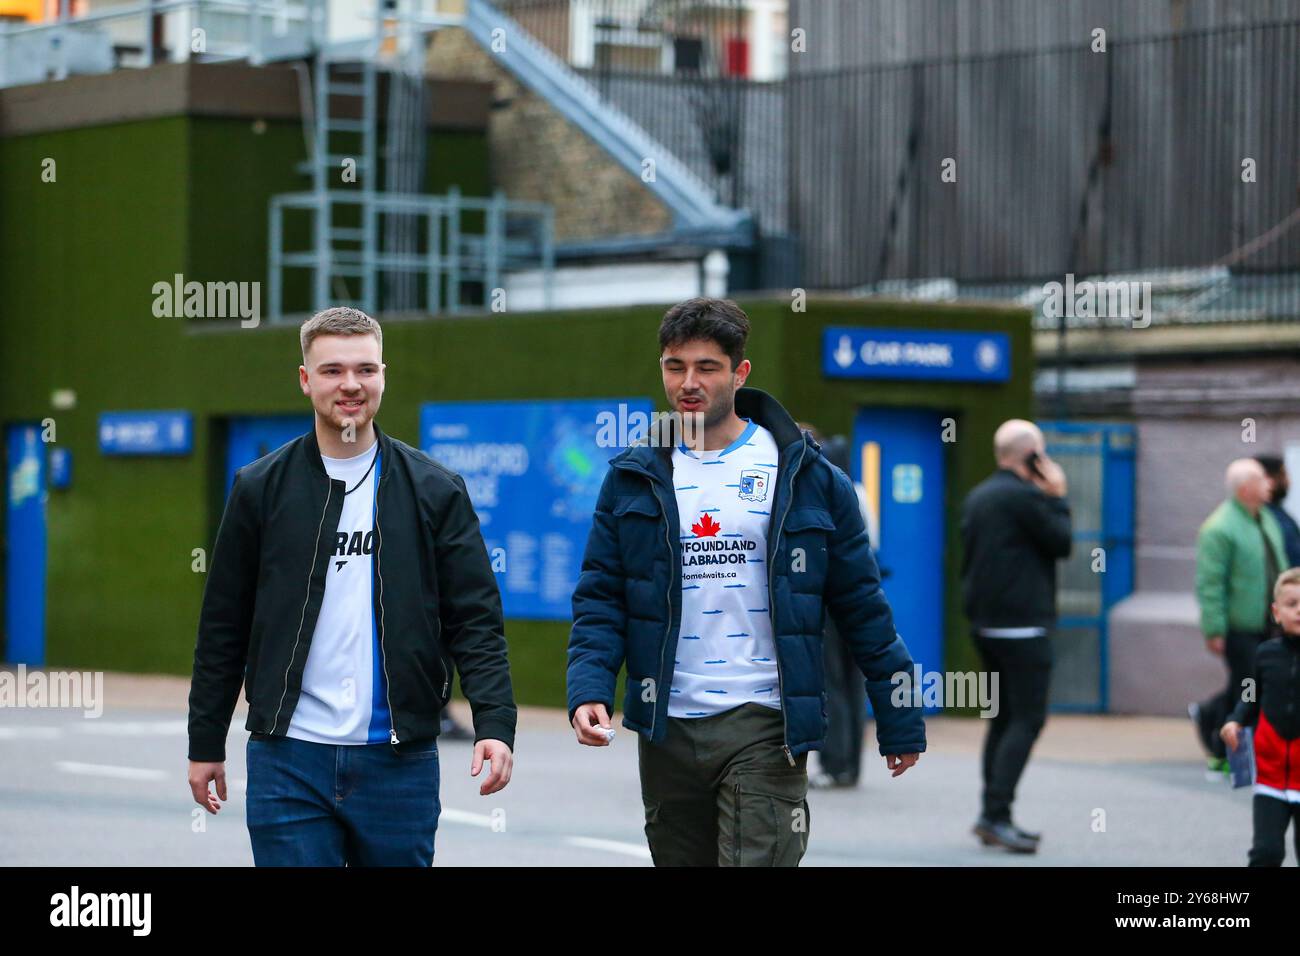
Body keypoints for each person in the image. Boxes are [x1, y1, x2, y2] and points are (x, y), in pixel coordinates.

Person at [566, 297, 925, 867]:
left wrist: (899, 714)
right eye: (674, 366)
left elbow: (861, 603)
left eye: (706, 367)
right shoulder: (632, 477)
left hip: (766, 719)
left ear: (740, 372)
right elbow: (603, 595)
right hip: (666, 725)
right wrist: (589, 688)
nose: (688, 382)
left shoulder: (805, 474)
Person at [187, 307, 516, 866]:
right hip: (287, 757)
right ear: (305, 378)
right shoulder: (259, 489)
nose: (350, 385)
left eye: (365, 369)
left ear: (383, 375)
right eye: (333, 370)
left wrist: (494, 722)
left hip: (399, 761)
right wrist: (205, 741)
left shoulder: (435, 490)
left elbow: (474, 619)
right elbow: (224, 623)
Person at [960, 419, 1072, 853]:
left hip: (987, 626)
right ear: (1034, 458)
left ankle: (994, 814)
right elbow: (1062, 543)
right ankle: (995, 813)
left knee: (1004, 718)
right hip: (1024, 626)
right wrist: (1058, 497)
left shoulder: (980, 496)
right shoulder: (1028, 497)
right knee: (1028, 718)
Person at [1191, 458, 1286, 772]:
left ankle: (1215, 732)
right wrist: (1214, 628)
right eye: (1262, 480)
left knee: (1248, 685)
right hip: (1239, 626)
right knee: (1247, 687)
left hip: (1268, 623)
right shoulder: (1220, 528)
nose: (1269, 484)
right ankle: (1230, 755)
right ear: (1246, 488)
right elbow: (1210, 583)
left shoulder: (1263, 519)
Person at [1221, 567, 1300, 866]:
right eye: (1292, 604)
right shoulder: (1265, 654)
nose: (1299, 611)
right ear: (1276, 612)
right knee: (1266, 853)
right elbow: (1249, 694)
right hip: (1271, 774)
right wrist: (1235, 719)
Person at [804, 430, 868, 790]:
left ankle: (834, 763)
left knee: (831, 683)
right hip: (857, 599)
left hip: (829, 600)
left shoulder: (823, 495)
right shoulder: (861, 494)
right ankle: (851, 765)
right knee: (852, 683)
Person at [1255, 455, 1300, 568]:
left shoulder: (1278, 512)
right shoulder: (1262, 516)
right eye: (1284, 474)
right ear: (1270, 479)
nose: (1288, 481)